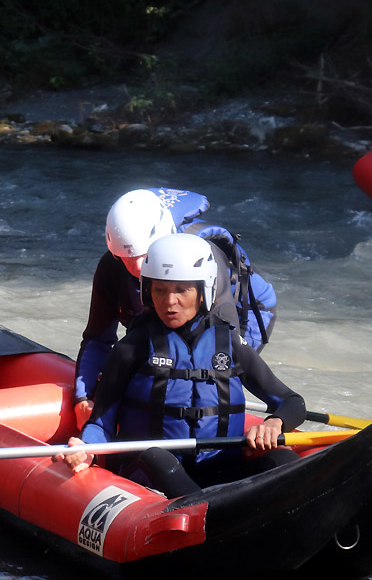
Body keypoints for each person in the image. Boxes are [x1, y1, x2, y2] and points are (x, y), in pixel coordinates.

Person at [55, 233, 306, 497]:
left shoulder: (228, 343)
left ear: (203, 291)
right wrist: (87, 448)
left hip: (218, 470)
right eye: (160, 289)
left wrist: (275, 422)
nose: (169, 301)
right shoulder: (133, 346)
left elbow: (293, 402)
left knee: (284, 461)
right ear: (148, 291)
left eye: (182, 290)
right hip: (150, 474)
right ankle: (204, 514)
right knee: (157, 457)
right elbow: (101, 424)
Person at [74, 188, 278, 424]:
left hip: (248, 314)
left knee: (194, 372)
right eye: (129, 260)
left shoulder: (202, 260)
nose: (139, 268)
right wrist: (83, 395)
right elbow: (98, 338)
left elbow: (221, 341)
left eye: (145, 256)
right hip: (169, 314)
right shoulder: (111, 265)